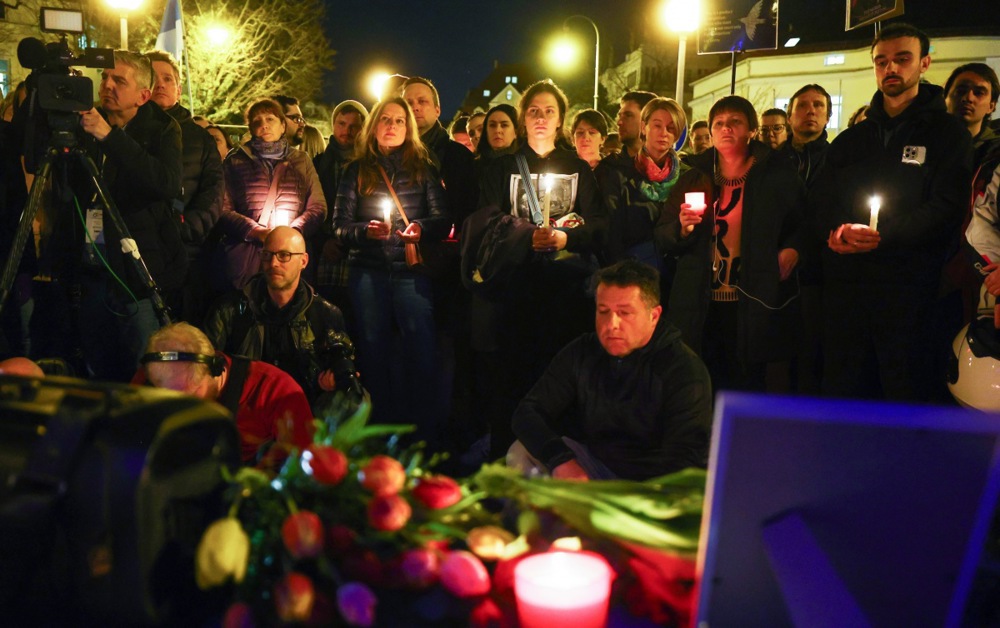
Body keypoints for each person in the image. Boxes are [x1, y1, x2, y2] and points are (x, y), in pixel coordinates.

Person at [812, 23, 973, 401]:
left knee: (905, 395)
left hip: (911, 294)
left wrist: (885, 236)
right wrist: (835, 233)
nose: (891, 69)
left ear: (924, 63)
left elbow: (946, 206)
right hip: (848, 294)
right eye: (881, 61)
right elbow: (821, 200)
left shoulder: (948, 134)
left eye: (902, 59)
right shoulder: (853, 138)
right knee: (848, 393)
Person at [475, 79, 607, 460]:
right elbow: (486, 222)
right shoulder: (501, 169)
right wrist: (523, 238)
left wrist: (567, 239)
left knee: (559, 380)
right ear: (523, 118)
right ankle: (506, 459)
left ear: (561, 119)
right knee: (512, 379)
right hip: (514, 293)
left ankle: (556, 460)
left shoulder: (577, 167)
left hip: (564, 292)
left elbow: (600, 226)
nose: (541, 118)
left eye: (549, 111)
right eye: (534, 111)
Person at [508, 260, 711, 481]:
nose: (612, 324)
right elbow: (528, 412)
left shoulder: (682, 369)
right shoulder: (583, 351)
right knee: (520, 453)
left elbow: (686, 459)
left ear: (654, 316)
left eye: (624, 313)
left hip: (652, 482)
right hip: (596, 465)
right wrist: (561, 459)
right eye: (603, 311)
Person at [655, 95, 805, 393]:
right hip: (701, 299)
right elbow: (663, 233)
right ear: (710, 132)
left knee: (747, 381)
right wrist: (682, 229)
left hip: (753, 298)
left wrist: (792, 248)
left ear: (751, 130)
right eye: (719, 123)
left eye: (735, 122)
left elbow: (803, 222)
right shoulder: (694, 177)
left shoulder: (775, 176)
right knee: (702, 381)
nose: (726, 129)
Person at [331, 96, 448, 441]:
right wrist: (364, 232)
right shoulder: (356, 170)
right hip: (368, 271)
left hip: (411, 273)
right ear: (374, 126)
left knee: (421, 348)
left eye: (399, 120)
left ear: (408, 128)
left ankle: (422, 431)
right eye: (386, 119)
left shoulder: (423, 168)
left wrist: (421, 229)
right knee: (372, 350)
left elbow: (443, 219)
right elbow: (338, 225)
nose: (392, 126)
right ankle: (379, 428)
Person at [75, 50, 187, 381]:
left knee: (144, 363)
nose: (107, 85)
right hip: (93, 262)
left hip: (138, 267)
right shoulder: (86, 121)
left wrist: (110, 138)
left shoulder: (163, 129)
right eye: (104, 78)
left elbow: (165, 182)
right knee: (98, 360)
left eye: (119, 80)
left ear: (143, 95)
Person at [204, 226, 350, 407]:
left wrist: (332, 380)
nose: (273, 263)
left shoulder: (324, 314)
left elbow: (339, 366)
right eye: (267, 255)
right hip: (246, 411)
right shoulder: (231, 309)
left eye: (284, 255)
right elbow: (206, 367)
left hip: (301, 408)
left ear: (303, 261)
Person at [139, 322, 314, 466]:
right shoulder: (149, 380)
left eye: (189, 396)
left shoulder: (276, 390)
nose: (181, 408)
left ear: (215, 368)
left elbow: (302, 468)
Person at [145, 50, 225, 325]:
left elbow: (213, 193)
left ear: (179, 89)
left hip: (186, 256)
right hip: (138, 251)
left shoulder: (200, 139)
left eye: (168, 79)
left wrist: (185, 230)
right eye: (154, 78)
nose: (161, 84)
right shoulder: (125, 132)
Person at [215, 98, 326, 291]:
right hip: (250, 253)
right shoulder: (235, 162)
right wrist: (257, 232)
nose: (264, 125)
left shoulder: (301, 161)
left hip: (289, 254)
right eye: (257, 122)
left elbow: (318, 206)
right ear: (251, 128)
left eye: (270, 119)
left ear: (283, 125)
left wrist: (290, 234)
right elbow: (223, 208)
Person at [777, 84, 834, 395]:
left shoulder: (837, 160)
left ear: (828, 116)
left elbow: (829, 211)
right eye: (802, 105)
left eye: (818, 106)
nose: (810, 111)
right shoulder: (773, 161)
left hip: (818, 271)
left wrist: (800, 247)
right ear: (790, 115)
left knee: (812, 349)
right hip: (775, 269)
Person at [605, 97, 689, 295]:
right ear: (644, 127)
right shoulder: (620, 172)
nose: (664, 133)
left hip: (676, 279)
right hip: (632, 278)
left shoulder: (688, 176)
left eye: (671, 128)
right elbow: (612, 232)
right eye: (657, 125)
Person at [314, 100, 368, 319]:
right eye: (342, 123)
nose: (347, 131)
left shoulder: (370, 164)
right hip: (326, 252)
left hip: (359, 251)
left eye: (354, 126)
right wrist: (323, 241)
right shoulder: (318, 164)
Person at [944, 63, 999, 163]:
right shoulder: (926, 143)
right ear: (945, 98)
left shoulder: (994, 154)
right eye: (960, 91)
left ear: (991, 106)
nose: (968, 98)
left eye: (979, 93)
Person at [614, 91, 657, 160]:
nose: (619, 122)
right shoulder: (607, 168)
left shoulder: (672, 168)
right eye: (619, 116)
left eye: (628, 115)